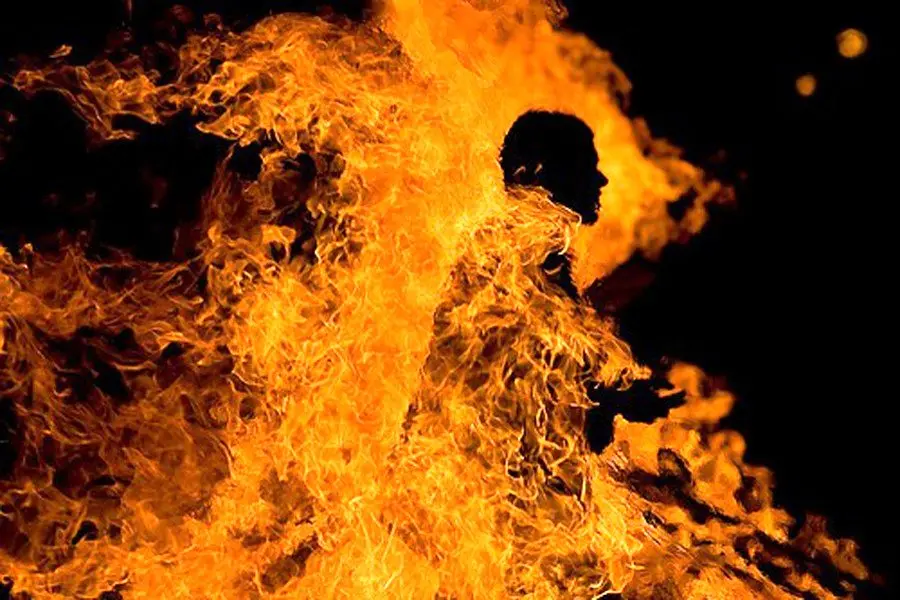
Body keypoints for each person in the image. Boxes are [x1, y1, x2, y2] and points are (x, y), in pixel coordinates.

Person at [500, 110, 682, 451]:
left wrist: (615, 395)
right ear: (542, 172)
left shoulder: (544, 258)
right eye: (586, 166)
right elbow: (522, 378)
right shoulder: (513, 257)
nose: (601, 180)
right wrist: (614, 398)